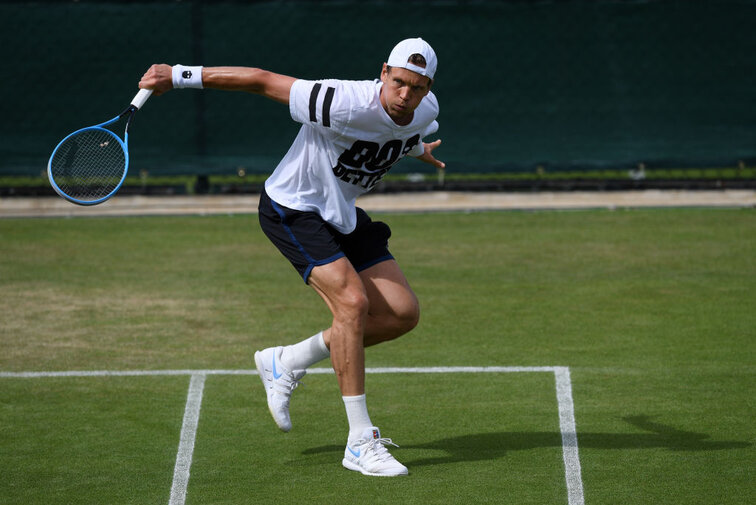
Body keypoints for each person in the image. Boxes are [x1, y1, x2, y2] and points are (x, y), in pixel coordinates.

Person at [139, 37, 443, 477]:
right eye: (398, 82)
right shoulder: (340, 102)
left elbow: (399, 132)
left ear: (428, 86)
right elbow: (262, 82)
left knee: (401, 313)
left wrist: (418, 149)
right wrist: (180, 75)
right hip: (293, 207)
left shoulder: (425, 110)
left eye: (416, 87)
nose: (405, 95)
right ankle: (360, 442)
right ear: (383, 73)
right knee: (353, 305)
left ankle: (287, 362)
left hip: (340, 212)